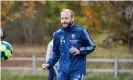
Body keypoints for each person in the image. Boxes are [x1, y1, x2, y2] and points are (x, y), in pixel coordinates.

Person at [42, 8, 96, 80]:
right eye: (62, 18)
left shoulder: (81, 31)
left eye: (66, 18)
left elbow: (92, 46)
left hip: (77, 71)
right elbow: (56, 53)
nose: (64, 21)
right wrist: (48, 64)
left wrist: (80, 50)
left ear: (72, 18)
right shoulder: (57, 34)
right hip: (63, 71)